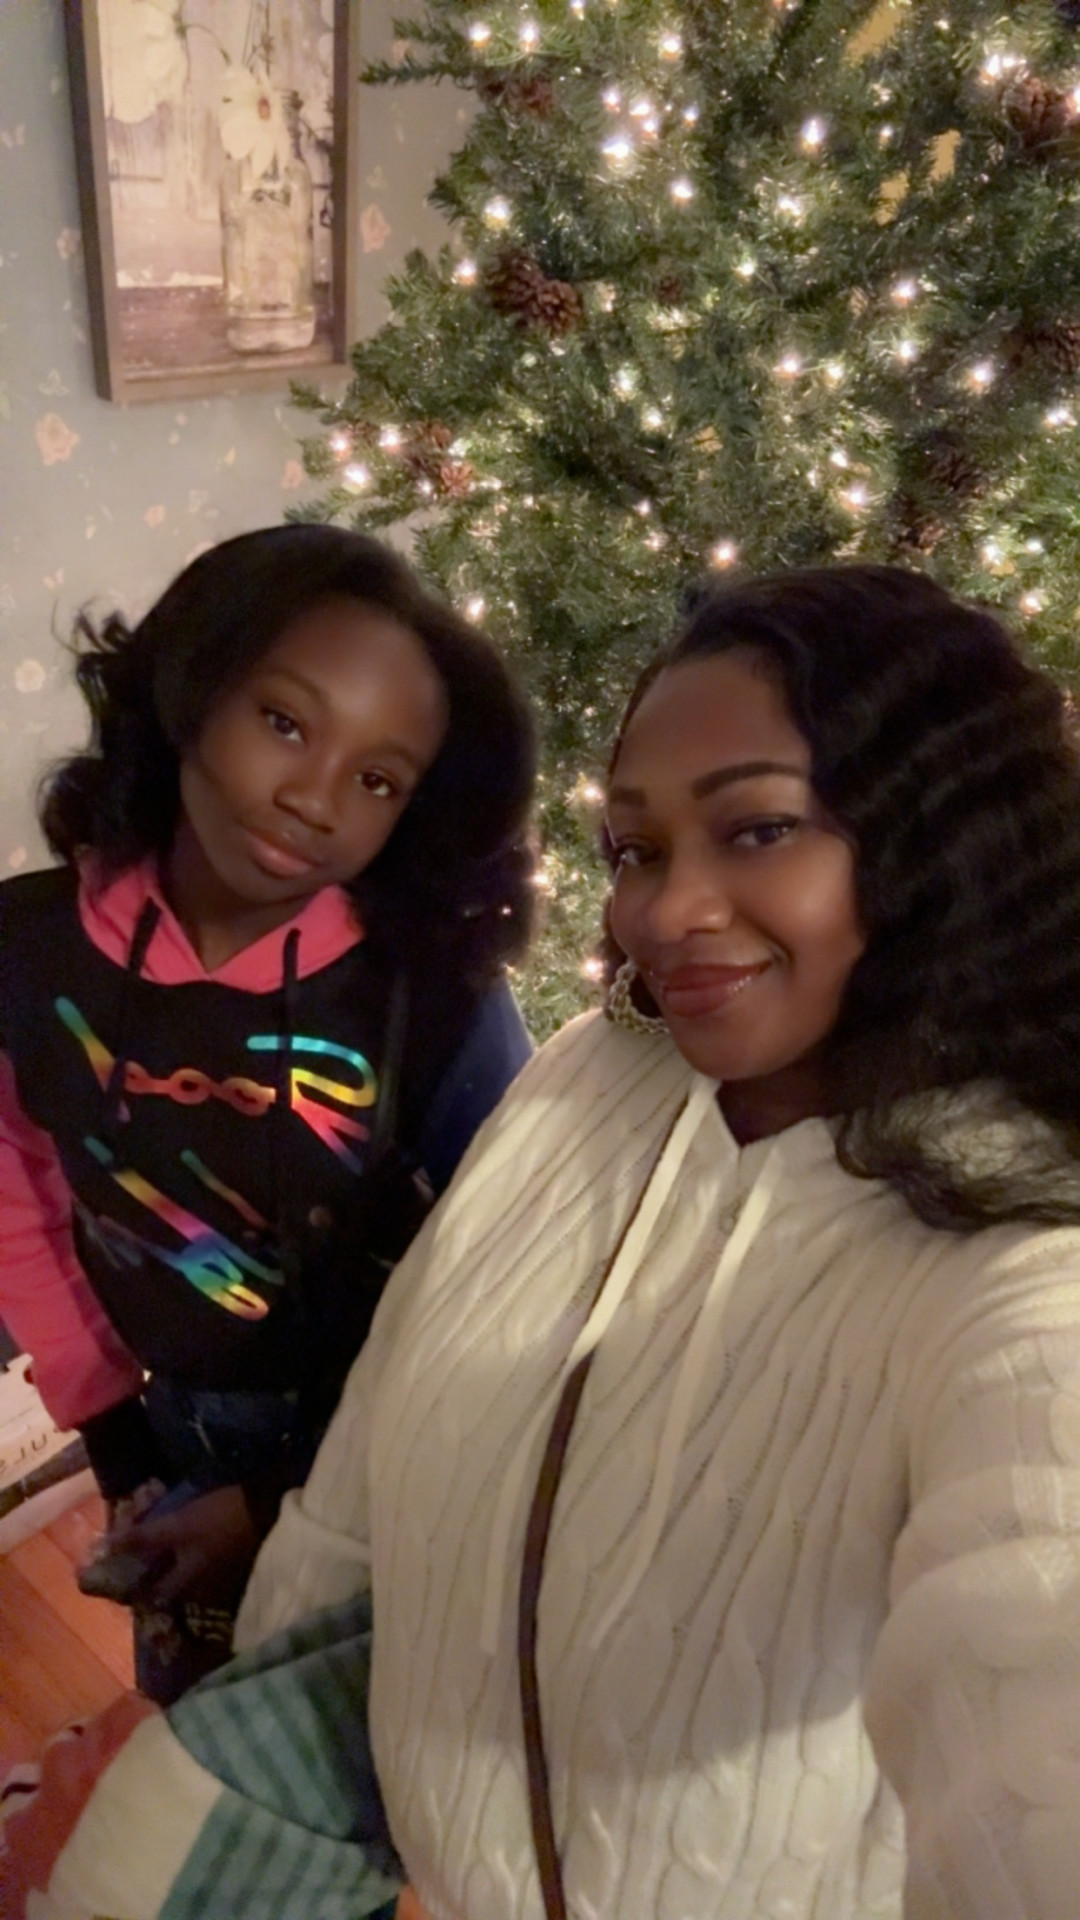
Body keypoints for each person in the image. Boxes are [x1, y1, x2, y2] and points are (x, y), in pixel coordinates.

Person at [7, 563, 1080, 1920]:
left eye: (756, 828)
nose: (664, 911)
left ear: (941, 829)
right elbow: (390, 1412)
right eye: (635, 849)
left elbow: (1036, 1639)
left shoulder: (1024, 1256)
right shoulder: (598, 1064)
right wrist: (231, 1757)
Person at [0, 524, 535, 1701]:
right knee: (197, 1730)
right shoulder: (26, 953)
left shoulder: (435, 1002)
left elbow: (501, 1282)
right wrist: (111, 1429)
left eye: (378, 779)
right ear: (193, 686)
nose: (312, 799)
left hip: (381, 1451)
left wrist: (285, 1492)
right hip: (168, 1430)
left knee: (354, 1735)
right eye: (285, 722)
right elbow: (18, 1192)